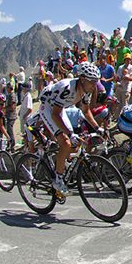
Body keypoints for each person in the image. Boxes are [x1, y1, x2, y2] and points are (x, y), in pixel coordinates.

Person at [38, 62, 102, 195]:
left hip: (60, 109)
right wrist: (69, 133)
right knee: (66, 141)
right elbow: (55, 115)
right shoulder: (67, 87)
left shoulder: (86, 90)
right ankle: (58, 179)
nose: (95, 85)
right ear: (83, 79)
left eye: (96, 82)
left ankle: (63, 162)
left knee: (77, 141)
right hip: (48, 109)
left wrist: (98, 128)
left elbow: (86, 111)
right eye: (92, 82)